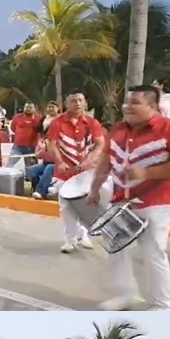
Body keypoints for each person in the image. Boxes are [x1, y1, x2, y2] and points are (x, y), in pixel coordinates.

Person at [89, 85, 170, 310]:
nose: (128, 106)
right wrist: (94, 188)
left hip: (161, 201)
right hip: (123, 201)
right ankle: (124, 295)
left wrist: (147, 173)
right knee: (116, 248)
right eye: (127, 102)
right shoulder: (118, 129)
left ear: (153, 106)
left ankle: (161, 305)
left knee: (152, 249)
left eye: (135, 102)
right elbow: (106, 160)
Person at [48, 91, 103, 253]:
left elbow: (100, 144)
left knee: (85, 205)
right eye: (73, 101)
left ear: (85, 103)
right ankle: (69, 240)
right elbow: (53, 145)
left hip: (86, 171)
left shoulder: (92, 123)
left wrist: (89, 160)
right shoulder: (58, 123)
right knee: (66, 207)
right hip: (65, 172)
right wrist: (59, 162)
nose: (78, 103)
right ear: (67, 104)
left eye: (80, 100)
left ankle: (83, 235)